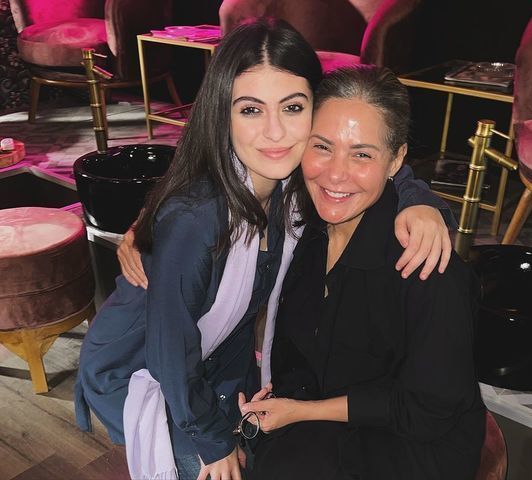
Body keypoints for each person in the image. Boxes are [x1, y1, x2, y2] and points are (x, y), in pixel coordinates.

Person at [75, 18, 453, 480]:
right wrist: (213, 442)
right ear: (223, 114)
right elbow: (168, 350)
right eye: (251, 110)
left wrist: (421, 201)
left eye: (292, 107)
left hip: (217, 355)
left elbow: (373, 156)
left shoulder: (292, 188)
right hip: (139, 366)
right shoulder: (198, 220)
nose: (275, 132)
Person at [240, 66, 486, 480]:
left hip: (413, 442)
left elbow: (428, 409)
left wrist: (302, 412)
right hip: (322, 415)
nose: (335, 174)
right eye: (323, 147)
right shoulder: (306, 230)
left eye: (362, 154)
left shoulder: (426, 267)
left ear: (396, 160)